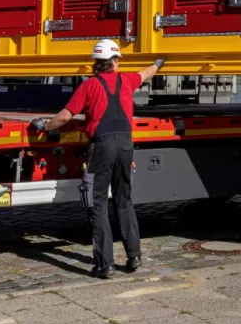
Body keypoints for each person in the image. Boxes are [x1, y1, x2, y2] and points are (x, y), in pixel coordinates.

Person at [31, 40, 165, 278]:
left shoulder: (89, 86)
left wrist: (45, 125)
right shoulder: (127, 80)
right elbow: (146, 73)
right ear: (114, 61)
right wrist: (159, 63)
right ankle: (134, 257)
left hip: (102, 148)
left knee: (97, 203)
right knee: (124, 199)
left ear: (96, 63)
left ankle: (106, 265)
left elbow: (64, 117)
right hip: (126, 146)